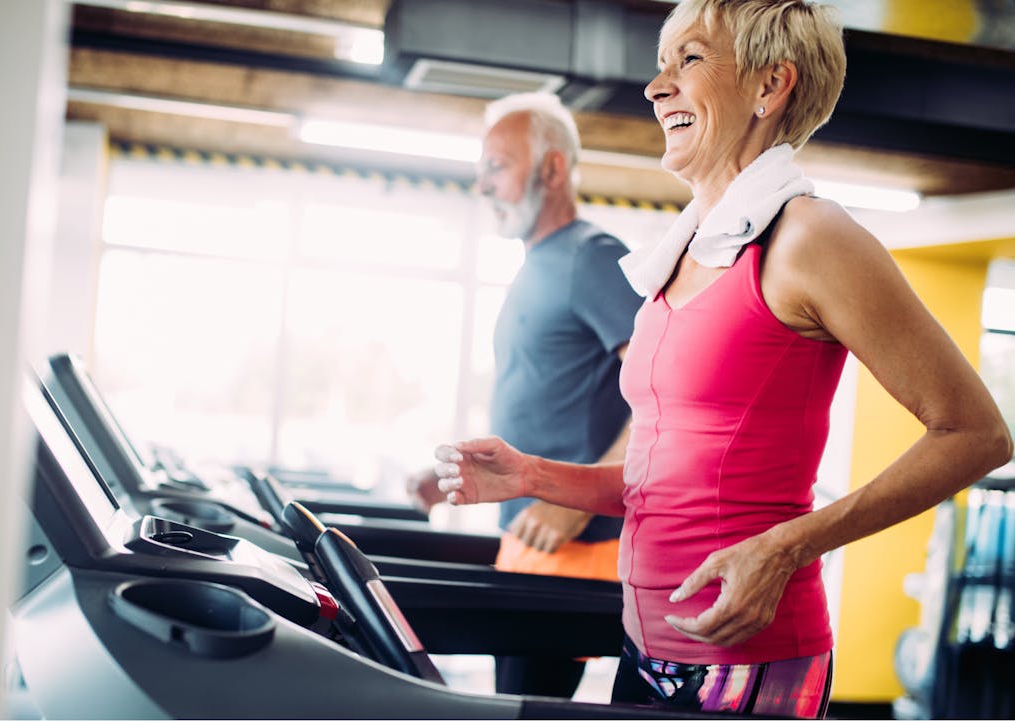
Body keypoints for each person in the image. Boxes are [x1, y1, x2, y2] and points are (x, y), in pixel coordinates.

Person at [432, 0, 1014, 717]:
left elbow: (976, 433)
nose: (655, 87)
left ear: (769, 88)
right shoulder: (681, 259)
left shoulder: (809, 238)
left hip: (749, 660)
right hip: (644, 643)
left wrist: (787, 548)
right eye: (661, 64)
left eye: (690, 60)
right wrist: (532, 475)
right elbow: (662, 483)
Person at [407, 91, 643, 698]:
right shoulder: (537, 264)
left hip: (575, 549)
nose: (482, 185)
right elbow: (548, 401)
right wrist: (458, 473)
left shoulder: (591, 258)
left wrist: (578, 501)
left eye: (496, 166)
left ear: (553, 168)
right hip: (529, 541)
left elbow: (665, 394)